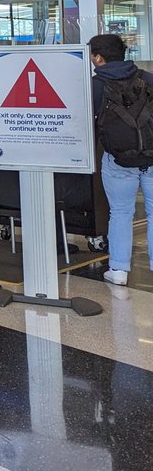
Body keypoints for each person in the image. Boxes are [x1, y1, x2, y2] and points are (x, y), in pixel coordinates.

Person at [88, 33, 153, 287]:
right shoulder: (147, 78)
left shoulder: (95, 85)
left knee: (121, 212)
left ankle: (118, 269)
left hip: (117, 160)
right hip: (151, 157)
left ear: (98, 58)